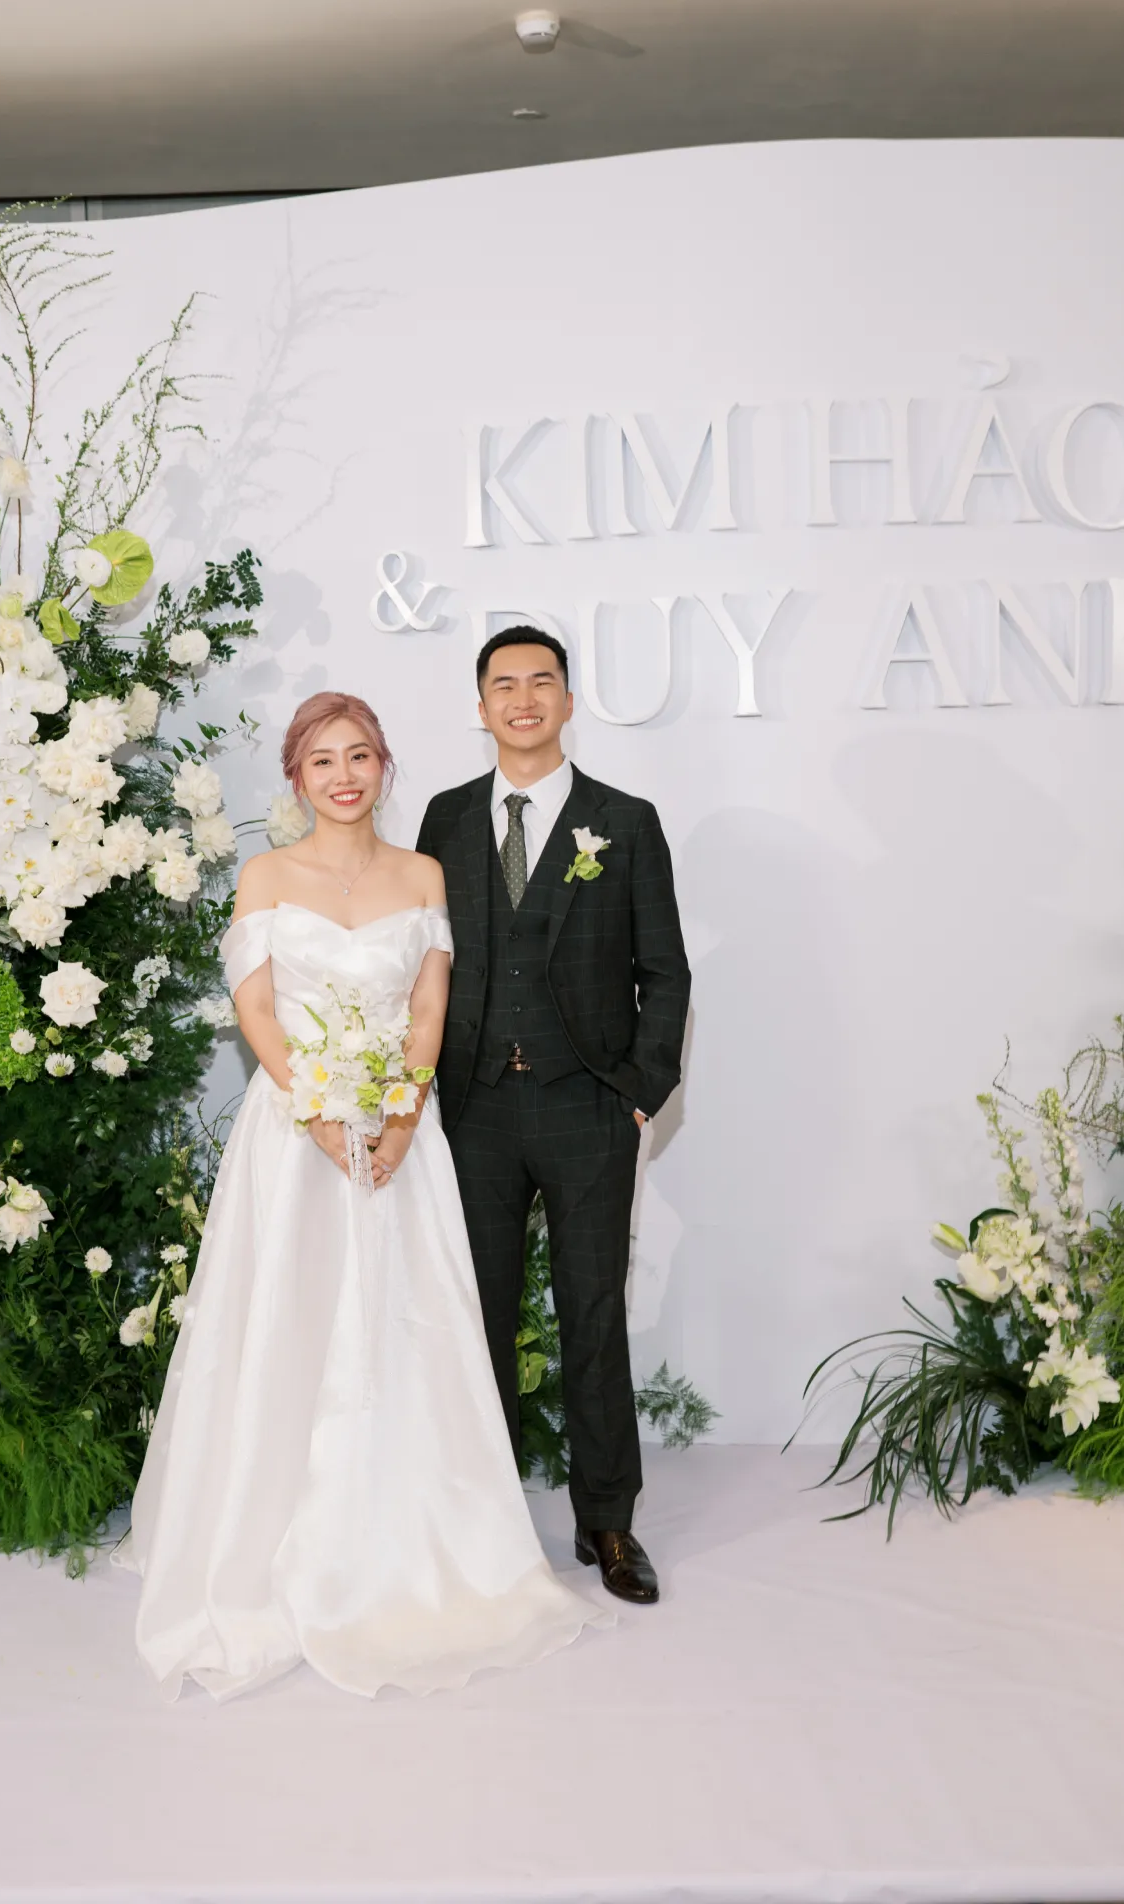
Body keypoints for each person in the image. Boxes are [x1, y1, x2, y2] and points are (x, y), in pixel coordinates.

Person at [114, 690, 608, 1701]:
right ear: (295, 778)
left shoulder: (420, 871)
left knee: (402, 1328)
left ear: (384, 766)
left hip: (398, 1134)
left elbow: (428, 1004)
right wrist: (316, 1115)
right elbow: (256, 1008)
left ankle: (406, 1541)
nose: (343, 774)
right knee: (287, 1323)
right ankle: (267, 1537)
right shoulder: (264, 873)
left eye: (360, 755)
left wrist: (397, 1109)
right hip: (294, 1142)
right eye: (321, 760)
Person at [416, 629, 690, 1605]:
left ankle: (606, 1520)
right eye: (503, 684)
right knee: (475, 1318)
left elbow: (663, 969)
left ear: (568, 700)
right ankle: (484, 1524)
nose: (522, 698)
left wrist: (637, 1092)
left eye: (541, 682)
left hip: (585, 1106)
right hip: (475, 1109)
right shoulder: (445, 818)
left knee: (591, 1312)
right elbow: (424, 956)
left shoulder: (623, 820)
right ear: (480, 705)